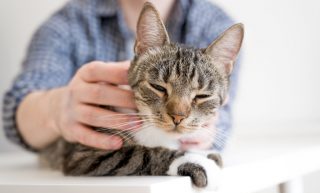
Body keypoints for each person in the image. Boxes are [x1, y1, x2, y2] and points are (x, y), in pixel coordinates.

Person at [2, 0, 240, 152]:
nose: (177, 114)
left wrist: (209, 131)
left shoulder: (216, 24)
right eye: (159, 87)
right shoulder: (67, 24)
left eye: (201, 95)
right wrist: (55, 109)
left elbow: (223, 122)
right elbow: (16, 111)